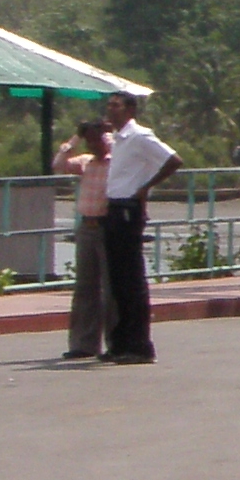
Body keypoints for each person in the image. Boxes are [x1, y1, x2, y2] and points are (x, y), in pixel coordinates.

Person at [98, 93, 174, 365]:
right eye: (109, 105)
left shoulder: (139, 136)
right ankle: (120, 342)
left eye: (116, 106)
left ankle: (140, 344)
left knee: (132, 279)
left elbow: (172, 160)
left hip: (129, 208)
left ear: (130, 109)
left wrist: (144, 188)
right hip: (114, 207)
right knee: (117, 279)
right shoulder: (118, 139)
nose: (111, 110)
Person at [56, 116, 112, 360]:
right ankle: (83, 343)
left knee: (110, 287)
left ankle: (114, 342)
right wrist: (75, 139)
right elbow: (58, 165)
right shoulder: (85, 162)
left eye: (96, 140)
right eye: (89, 141)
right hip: (86, 227)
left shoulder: (116, 162)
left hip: (107, 226)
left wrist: (108, 137)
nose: (92, 145)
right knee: (85, 287)